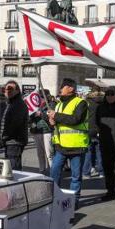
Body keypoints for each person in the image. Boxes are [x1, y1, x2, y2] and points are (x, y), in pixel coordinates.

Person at [48, 78, 89, 207]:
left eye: (62, 86)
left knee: (76, 177)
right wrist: (52, 122)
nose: (60, 89)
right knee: (54, 172)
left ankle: (73, 202)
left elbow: (75, 119)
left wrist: (56, 116)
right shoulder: (59, 104)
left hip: (77, 147)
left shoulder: (81, 103)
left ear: (70, 88)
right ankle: (54, 198)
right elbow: (59, 122)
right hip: (61, 146)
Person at [0, 81, 29, 170]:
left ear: (17, 91)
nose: (7, 91)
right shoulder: (10, 103)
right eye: (5, 89)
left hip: (15, 141)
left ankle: (15, 184)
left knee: (13, 169)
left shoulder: (18, 104)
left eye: (11, 89)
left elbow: (14, 124)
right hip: (10, 142)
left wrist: (4, 137)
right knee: (10, 168)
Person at [30, 89, 53, 174]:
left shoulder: (51, 104)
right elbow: (30, 119)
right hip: (37, 131)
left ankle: (52, 170)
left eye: (41, 97)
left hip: (47, 131)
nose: (40, 98)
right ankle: (42, 169)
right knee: (40, 153)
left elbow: (52, 118)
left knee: (49, 153)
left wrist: (42, 114)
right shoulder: (35, 106)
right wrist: (32, 114)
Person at [83, 90, 104, 177]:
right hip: (99, 129)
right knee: (99, 152)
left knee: (88, 152)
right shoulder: (102, 104)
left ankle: (87, 172)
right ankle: (101, 172)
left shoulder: (86, 104)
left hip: (88, 129)